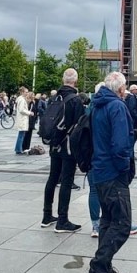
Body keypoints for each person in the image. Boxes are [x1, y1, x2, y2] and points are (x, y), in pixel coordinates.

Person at [83, 72, 134, 273]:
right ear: (121, 89)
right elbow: (121, 144)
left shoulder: (97, 104)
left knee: (108, 221)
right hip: (113, 173)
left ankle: (105, 269)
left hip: (99, 170)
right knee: (122, 224)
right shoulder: (117, 106)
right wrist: (124, 168)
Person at [42, 68, 84, 232]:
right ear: (75, 80)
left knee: (52, 178)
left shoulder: (54, 98)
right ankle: (62, 220)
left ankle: (46, 215)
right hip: (67, 146)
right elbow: (79, 126)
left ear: (63, 79)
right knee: (66, 181)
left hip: (54, 144)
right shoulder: (75, 100)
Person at [13, 86, 33, 154]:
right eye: (26, 92)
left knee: (21, 134)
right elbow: (21, 110)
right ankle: (19, 149)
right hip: (22, 119)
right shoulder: (21, 100)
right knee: (21, 135)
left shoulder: (20, 99)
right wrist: (29, 113)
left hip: (22, 118)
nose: (27, 93)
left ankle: (18, 148)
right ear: (22, 92)